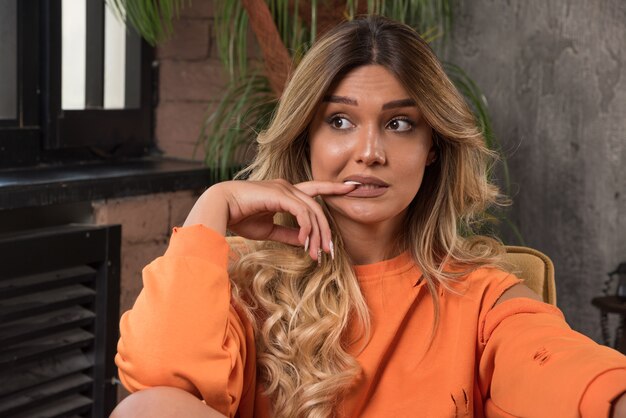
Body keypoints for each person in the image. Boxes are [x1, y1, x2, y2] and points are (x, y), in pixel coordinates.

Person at [111, 16, 626, 418]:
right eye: (340, 121)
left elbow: (561, 368)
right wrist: (211, 207)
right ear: (306, 138)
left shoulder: (484, 298)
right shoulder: (242, 291)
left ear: (432, 148)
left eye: (400, 123)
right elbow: (158, 386)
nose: (370, 152)